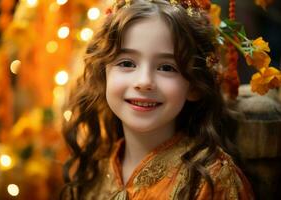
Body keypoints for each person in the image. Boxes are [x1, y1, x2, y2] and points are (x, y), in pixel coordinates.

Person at [61, 0, 254, 199]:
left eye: (166, 67)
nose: (144, 82)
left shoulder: (210, 181)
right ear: (104, 74)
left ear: (194, 86)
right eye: (127, 63)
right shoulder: (93, 167)